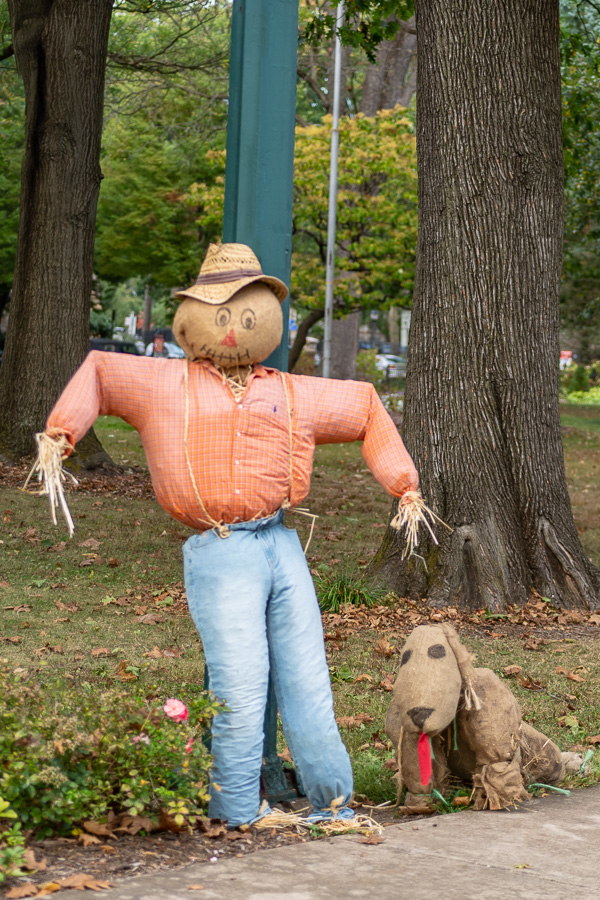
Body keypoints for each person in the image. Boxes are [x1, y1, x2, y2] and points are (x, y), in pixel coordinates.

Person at [40, 243, 419, 828]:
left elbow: (365, 405)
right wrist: (61, 433)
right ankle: (239, 808)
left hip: (281, 542)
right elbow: (101, 371)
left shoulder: (290, 391)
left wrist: (403, 484)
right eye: (220, 315)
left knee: (308, 676)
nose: (234, 329)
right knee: (240, 681)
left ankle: (333, 802)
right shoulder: (164, 383)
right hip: (221, 547)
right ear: (189, 318)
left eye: (246, 315)